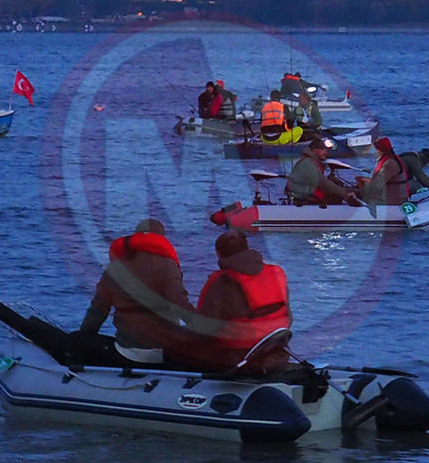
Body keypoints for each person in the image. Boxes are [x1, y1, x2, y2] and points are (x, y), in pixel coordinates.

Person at [79, 218, 195, 354]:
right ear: (162, 239)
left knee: (78, 341)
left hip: (126, 351)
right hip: (164, 352)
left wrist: (83, 337)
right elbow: (180, 305)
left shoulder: (115, 268)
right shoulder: (169, 266)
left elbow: (98, 310)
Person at [195, 230, 293, 373]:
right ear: (247, 247)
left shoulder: (221, 282)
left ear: (219, 254)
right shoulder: (276, 274)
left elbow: (204, 328)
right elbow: (288, 317)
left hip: (237, 356)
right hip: (276, 350)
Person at [286, 139, 360, 206]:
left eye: (326, 150)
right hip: (304, 197)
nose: (326, 152)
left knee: (337, 188)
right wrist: (344, 193)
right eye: (322, 150)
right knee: (336, 196)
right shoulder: (307, 163)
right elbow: (322, 182)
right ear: (314, 150)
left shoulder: (310, 161)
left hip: (305, 193)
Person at [362, 137, 413, 206]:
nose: (375, 152)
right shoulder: (390, 160)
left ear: (382, 150)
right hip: (394, 197)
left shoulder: (389, 164)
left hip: (394, 200)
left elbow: (377, 185)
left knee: (356, 197)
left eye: (377, 150)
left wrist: (360, 192)